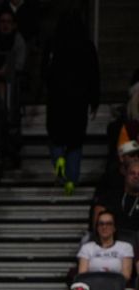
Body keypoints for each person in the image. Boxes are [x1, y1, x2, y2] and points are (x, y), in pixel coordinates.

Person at [45, 10, 100, 196]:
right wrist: (94, 100)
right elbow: (94, 74)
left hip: (57, 99)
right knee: (76, 142)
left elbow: (44, 72)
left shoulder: (53, 44)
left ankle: (59, 158)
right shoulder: (87, 46)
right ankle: (71, 180)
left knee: (55, 136)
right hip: (79, 100)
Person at [77, 209, 134, 280]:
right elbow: (82, 276)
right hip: (93, 286)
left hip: (116, 287)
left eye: (109, 223)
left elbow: (126, 276)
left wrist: (108, 276)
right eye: (101, 224)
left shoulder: (125, 247)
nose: (104, 227)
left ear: (114, 228)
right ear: (97, 228)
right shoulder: (87, 247)